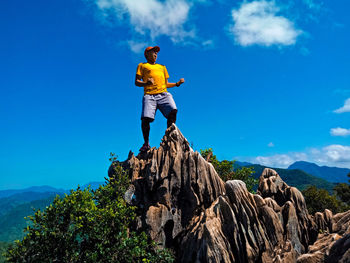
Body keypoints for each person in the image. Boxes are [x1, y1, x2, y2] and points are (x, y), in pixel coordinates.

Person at [135, 46, 185, 152]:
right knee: (145, 119)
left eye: (156, 53)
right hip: (149, 95)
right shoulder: (142, 65)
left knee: (173, 110)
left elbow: (166, 84)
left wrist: (177, 84)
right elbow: (136, 82)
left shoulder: (162, 67)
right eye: (153, 52)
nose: (155, 54)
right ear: (146, 54)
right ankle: (146, 143)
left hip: (163, 94)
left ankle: (169, 136)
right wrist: (146, 83)